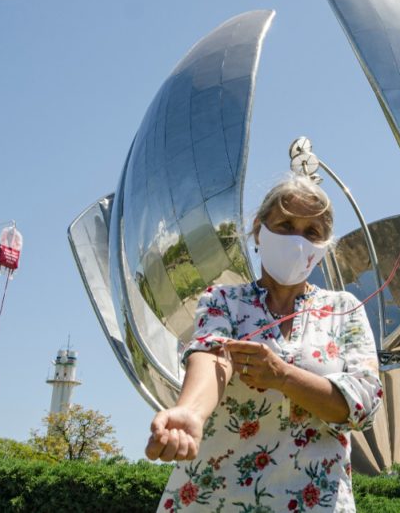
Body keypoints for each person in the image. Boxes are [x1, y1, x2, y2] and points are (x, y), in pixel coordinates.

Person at [147, 176, 382, 512]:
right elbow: (214, 356)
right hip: (216, 498)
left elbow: (361, 404)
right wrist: (190, 412)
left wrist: (283, 376)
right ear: (259, 230)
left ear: (324, 246)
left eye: (311, 232)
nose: (297, 241)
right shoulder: (224, 300)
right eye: (285, 225)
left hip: (315, 500)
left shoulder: (345, 309)